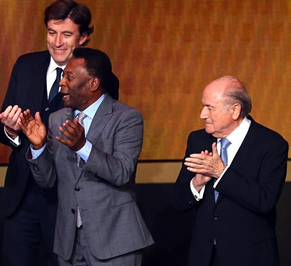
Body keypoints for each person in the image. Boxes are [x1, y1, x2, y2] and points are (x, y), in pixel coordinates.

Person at [0, 1, 120, 265]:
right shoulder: (25, 66)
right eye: (52, 32)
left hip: (66, 199)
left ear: (83, 37)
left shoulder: (100, 78)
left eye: (66, 34)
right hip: (22, 196)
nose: (57, 42)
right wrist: (11, 129)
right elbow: (2, 129)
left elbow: (99, 137)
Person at [19, 48, 153, 265]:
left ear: (93, 83)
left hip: (114, 240)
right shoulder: (56, 119)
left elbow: (122, 173)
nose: (61, 82)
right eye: (63, 75)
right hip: (69, 243)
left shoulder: (126, 118)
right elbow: (48, 180)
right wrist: (39, 147)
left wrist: (83, 146)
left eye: (69, 77)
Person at [172, 76, 288, 266]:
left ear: (235, 110)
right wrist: (197, 184)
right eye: (203, 106)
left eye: (210, 108)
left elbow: (264, 200)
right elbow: (178, 201)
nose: (202, 114)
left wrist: (220, 172)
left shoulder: (271, 144)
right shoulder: (197, 140)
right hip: (204, 256)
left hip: (250, 257)